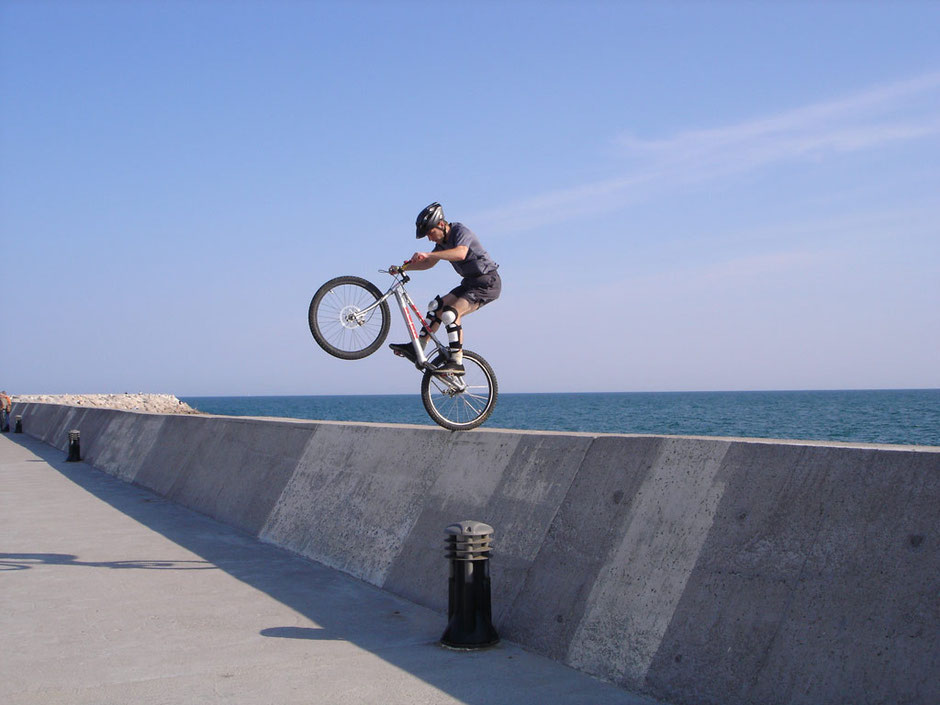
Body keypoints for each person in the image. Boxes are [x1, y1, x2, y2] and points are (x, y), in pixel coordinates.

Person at [389, 202, 500, 375]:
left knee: (450, 314)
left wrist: (430, 254)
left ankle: (456, 362)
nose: (429, 238)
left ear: (441, 224)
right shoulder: (442, 243)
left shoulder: (460, 232)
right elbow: (428, 263)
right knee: (436, 307)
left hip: (487, 283)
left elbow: (461, 253)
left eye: (430, 233)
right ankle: (418, 347)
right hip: (470, 283)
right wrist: (403, 268)